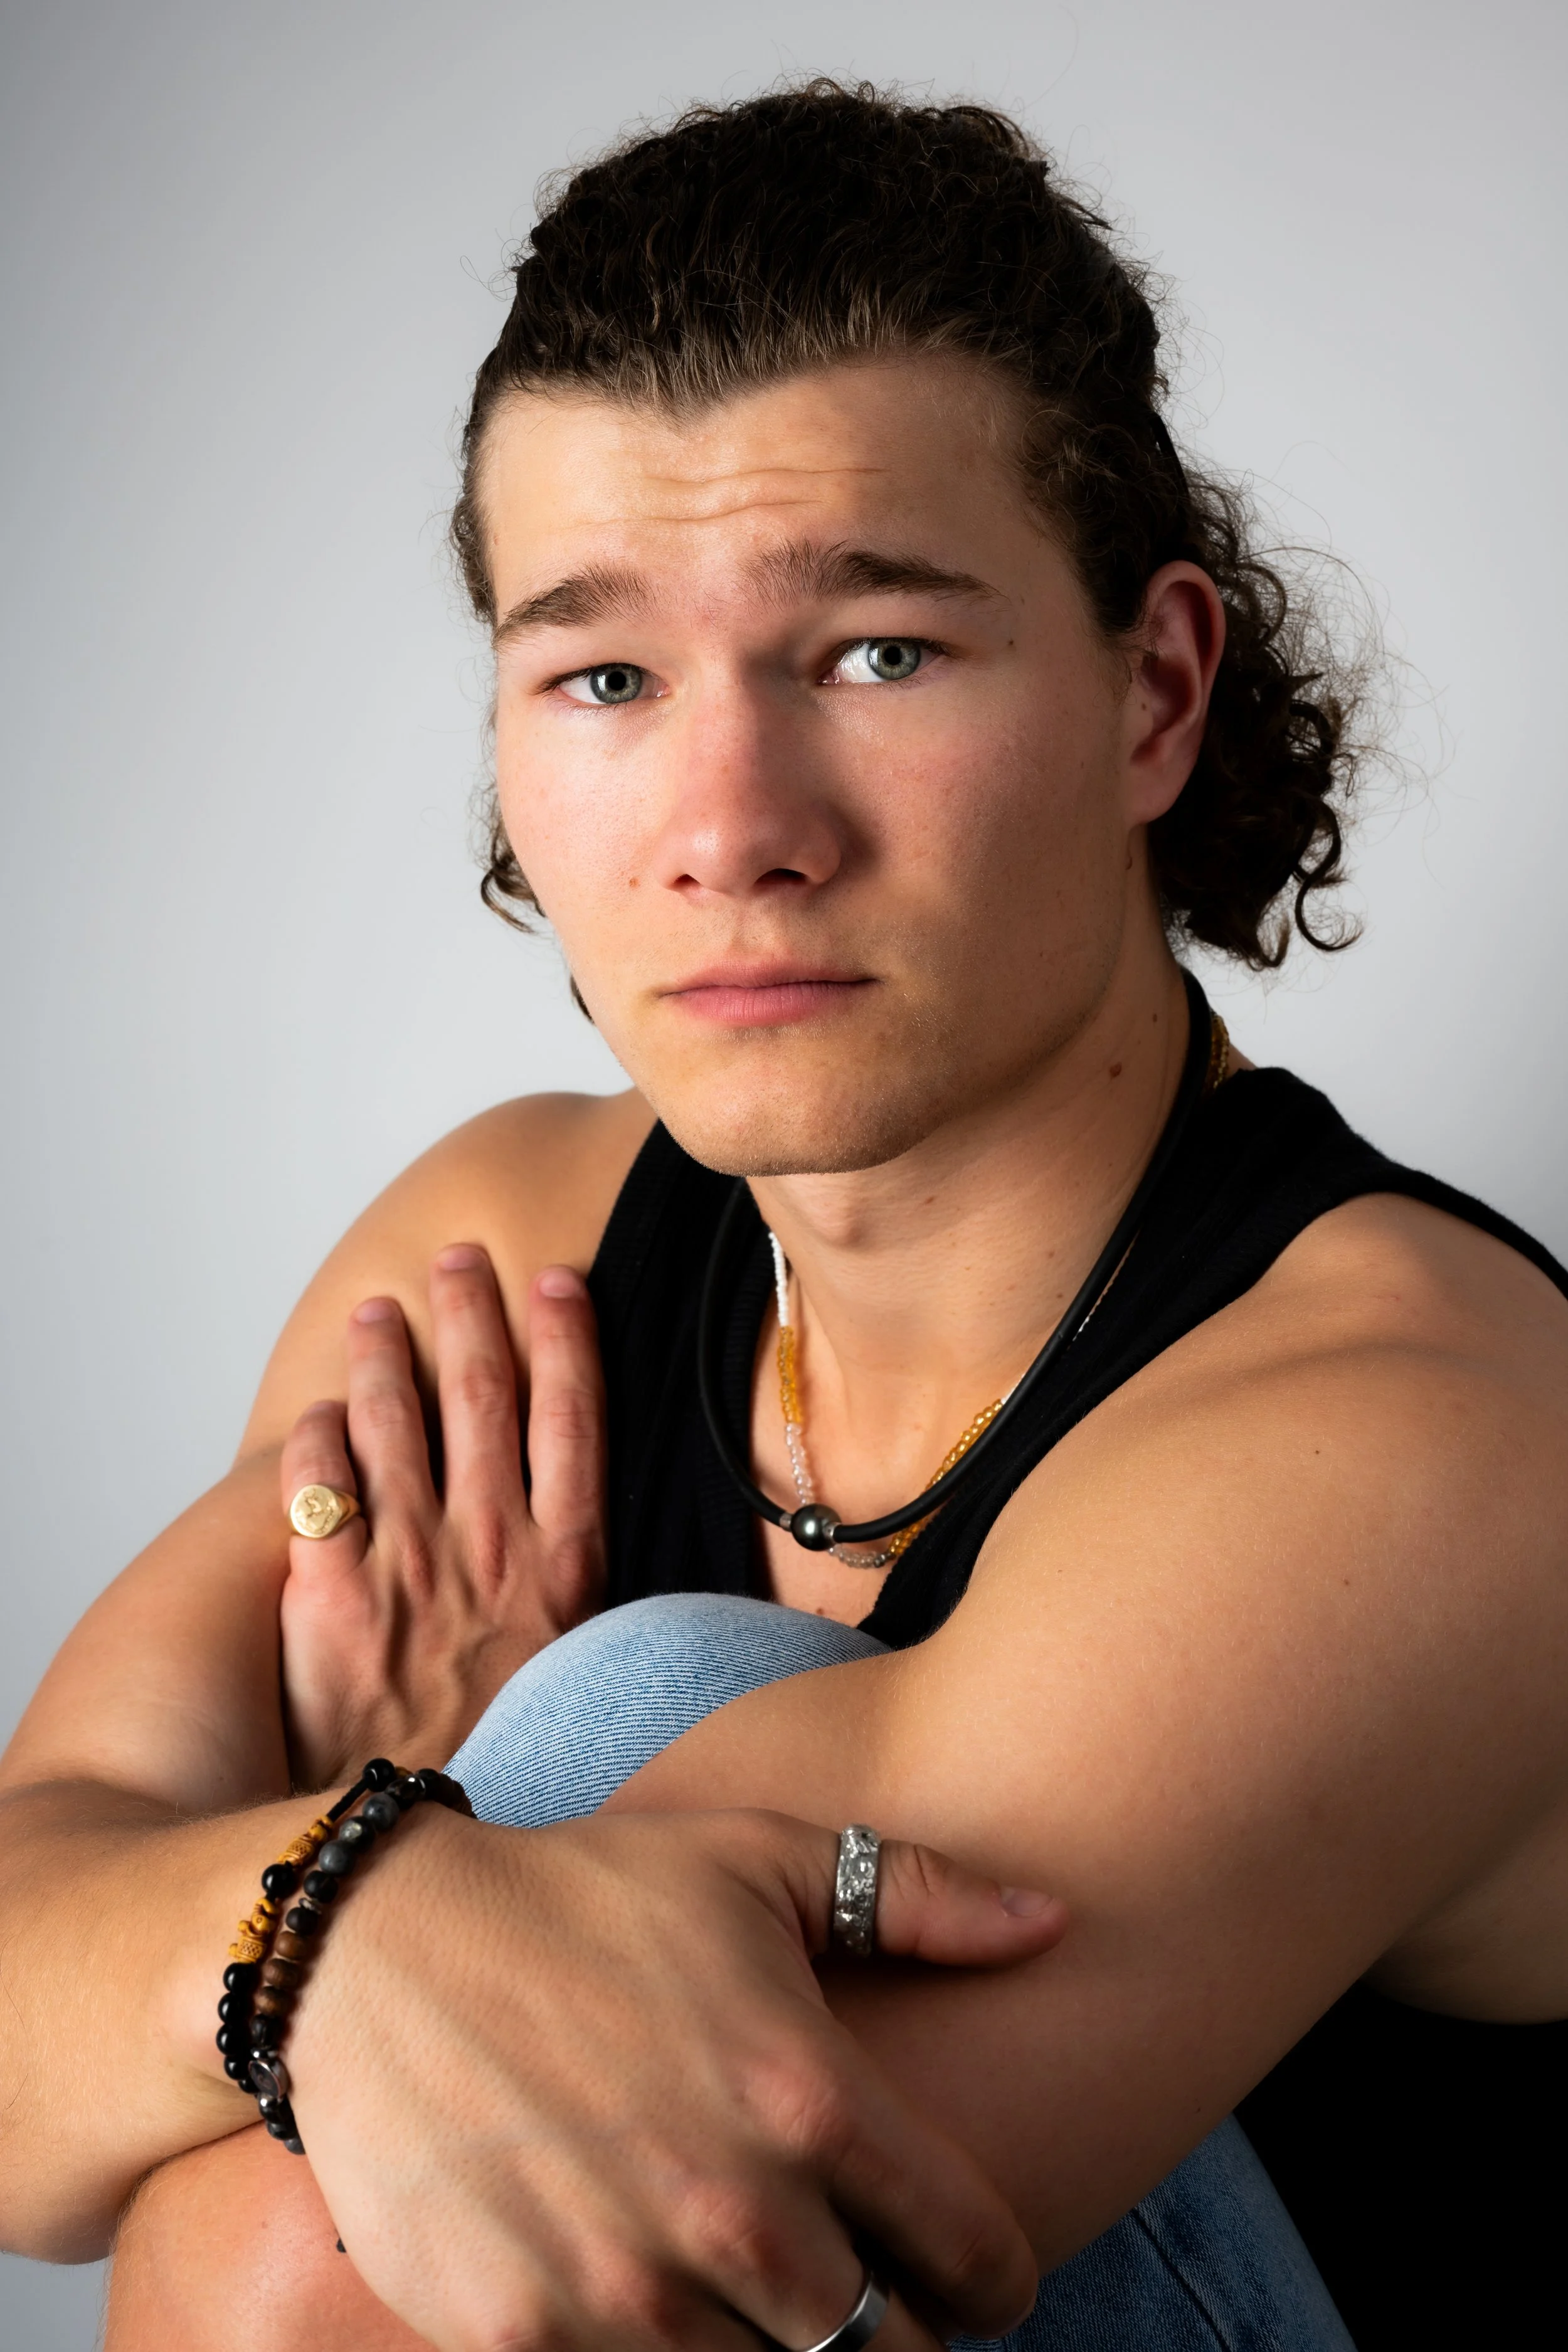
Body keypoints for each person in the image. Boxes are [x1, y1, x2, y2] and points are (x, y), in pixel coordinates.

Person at [1, 80, 1565, 2352]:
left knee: (630, 1713)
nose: (728, 826)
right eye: (603, 676)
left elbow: (329, 2283)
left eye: (873, 653)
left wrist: (358, 1849)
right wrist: (369, 1906)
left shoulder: (1416, 1432)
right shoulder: (515, 1237)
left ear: (1153, 694)